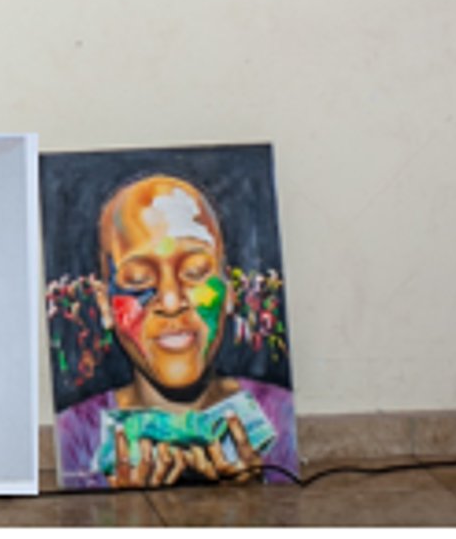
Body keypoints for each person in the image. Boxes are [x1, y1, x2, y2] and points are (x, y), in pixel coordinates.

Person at [56, 175, 296, 489]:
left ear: (229, 291)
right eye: (139, 279)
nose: (171, 301)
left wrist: (257, 498)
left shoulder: (283, 420)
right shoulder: (72, 438)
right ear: (105, 306)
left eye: (195, 272)